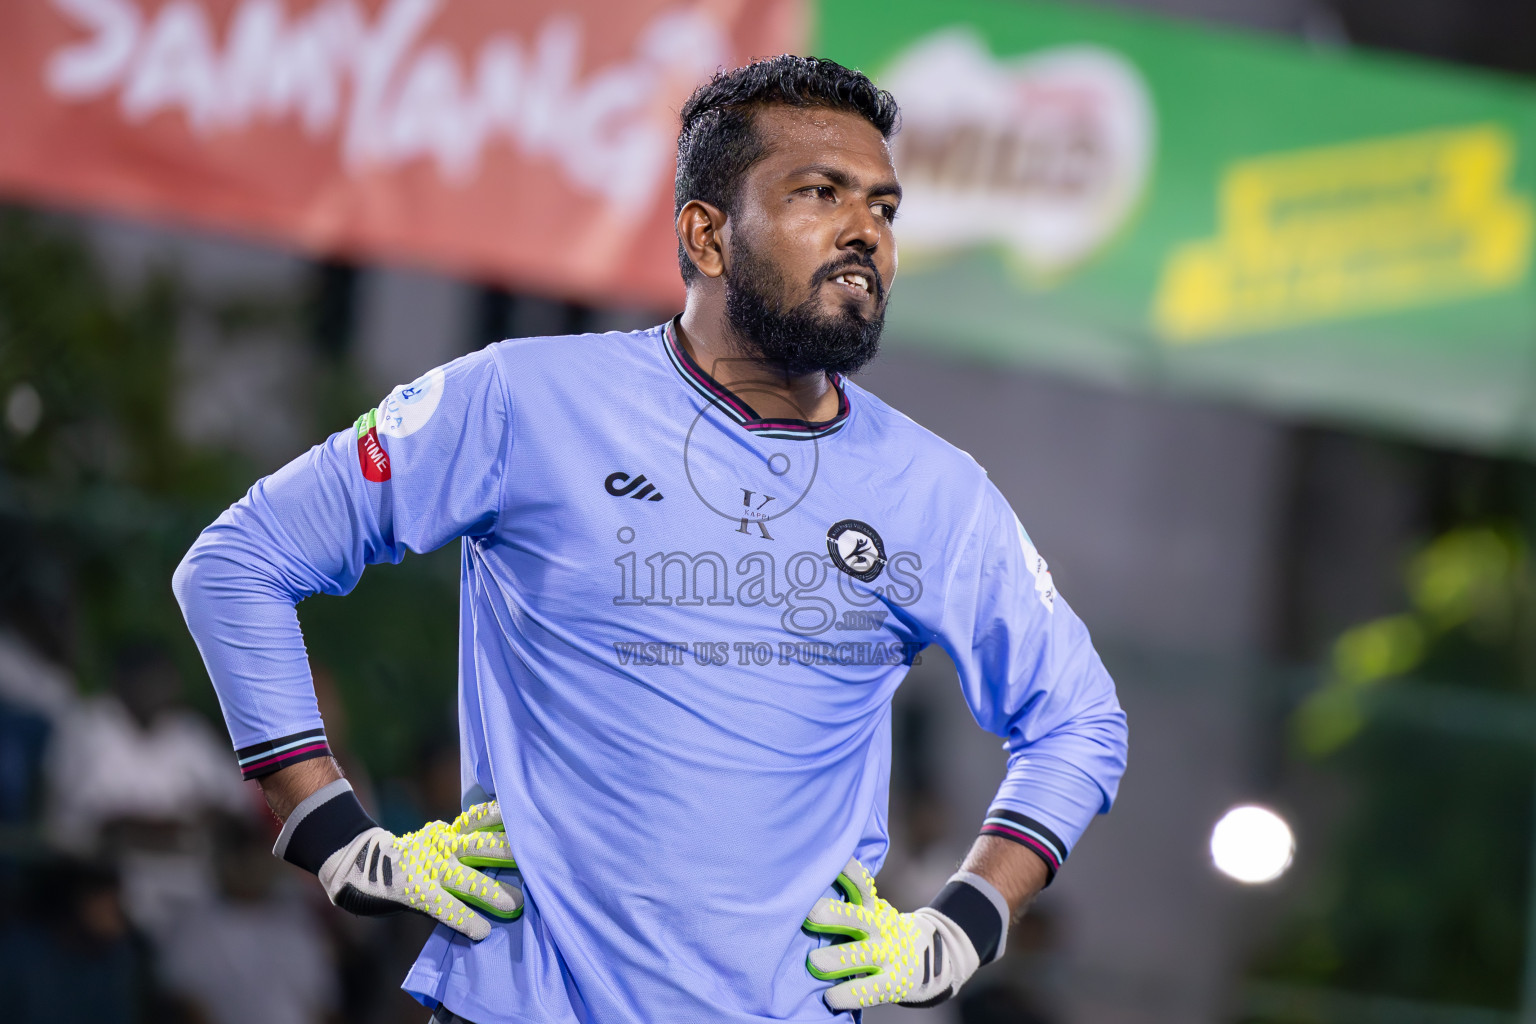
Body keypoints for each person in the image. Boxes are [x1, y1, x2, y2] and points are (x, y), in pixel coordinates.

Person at [173, 55, 1128, 1023]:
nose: (865, 234)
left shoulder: (938, 492)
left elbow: (1080, 720)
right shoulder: (519, 400)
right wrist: (327, 826)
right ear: (706, 235)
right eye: (819, 194)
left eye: (883, 208)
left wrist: (964, 922)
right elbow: (237, 563)